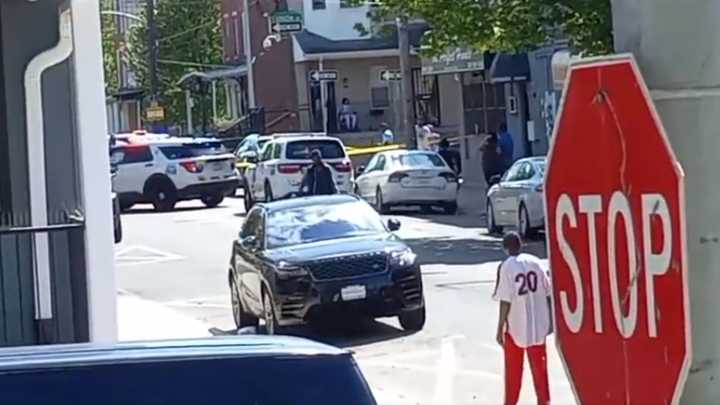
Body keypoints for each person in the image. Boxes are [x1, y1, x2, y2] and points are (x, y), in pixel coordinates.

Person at [493, 232, 552, 405]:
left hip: (516, 326)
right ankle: (544, 401)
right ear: (521, 244)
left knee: (513, 371)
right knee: (540, 369)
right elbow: (548, 290)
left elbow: (505, 300)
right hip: (538, 325)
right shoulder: (535, 262)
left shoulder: (506, 267)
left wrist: (500, 328)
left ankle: (511, 402)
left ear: (505, 248)